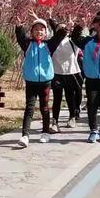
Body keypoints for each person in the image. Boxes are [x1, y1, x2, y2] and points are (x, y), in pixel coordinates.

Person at [15, 17, 66, 148]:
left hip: (45, 82)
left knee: (44, 107)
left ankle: (45, 132)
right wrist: (19, 26)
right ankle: (25, 135)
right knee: (29, 108)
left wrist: (61, 25)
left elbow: (60, 35)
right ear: (31, 32)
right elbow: (20, 37)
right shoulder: (27, 44)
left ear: (46, 32)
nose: (39, 32)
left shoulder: (49, 45)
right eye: (36, 29)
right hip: (31, 82)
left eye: (42, 29)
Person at [48, 18, 83, 131]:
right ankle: (54, 121)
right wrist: (50, 18)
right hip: (57, 73)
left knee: (70, 97)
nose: (62, 30)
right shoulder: (53, 42)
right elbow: (54, 26)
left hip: (71, 72)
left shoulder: (72, 41)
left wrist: (79, 25)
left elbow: (77, 34)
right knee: (57, 98)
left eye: (64, 28)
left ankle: (72, 117)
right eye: (60, 28)